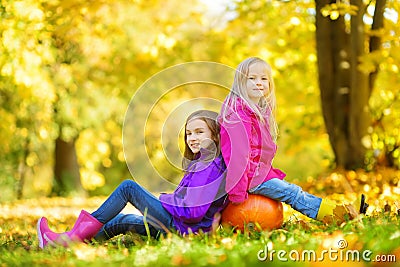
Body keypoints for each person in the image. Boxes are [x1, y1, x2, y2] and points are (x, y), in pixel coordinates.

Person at [37, 110, 228, 248]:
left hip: (184, 229)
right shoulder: (204, 163)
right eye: (188, 133)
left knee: (128, 188)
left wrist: (164, 199)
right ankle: (68, 244)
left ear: (215, 136)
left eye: (199, 132)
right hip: (185, 229)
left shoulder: (208, 166)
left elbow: (192, 211)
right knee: (121, 220)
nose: (192, 138)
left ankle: (72, 238)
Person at [219, 57, 368, 224]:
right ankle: (340, 216)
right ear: (240, 82)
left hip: (256, 175)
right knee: (293, 193)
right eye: (251, 78)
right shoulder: (238, 116)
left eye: (263, 78)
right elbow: (237, 157)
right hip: (249, 179)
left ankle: (340, 210)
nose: (258, 82)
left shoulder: (255, 113)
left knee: (293, 192)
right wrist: (237, 192)